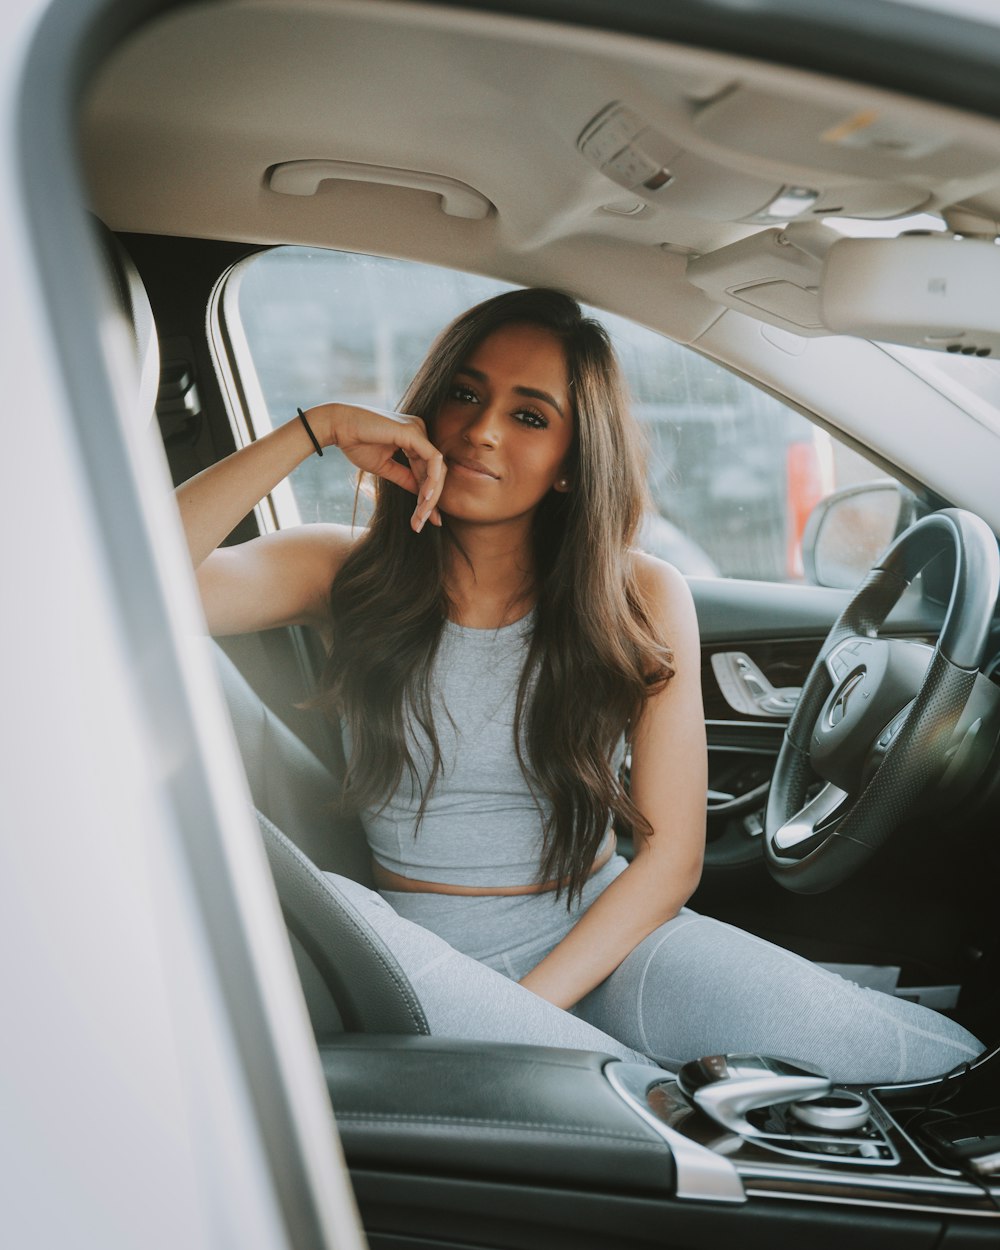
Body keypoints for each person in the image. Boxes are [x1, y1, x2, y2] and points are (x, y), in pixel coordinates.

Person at [178, 287, 982, 1083]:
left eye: (529, 416)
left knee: (899, 1053)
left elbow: (670, 857)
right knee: (649, 1115)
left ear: (571, 464)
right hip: (422, 955)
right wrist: (313, 430)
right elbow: (126, 577)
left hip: (611, 940)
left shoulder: (642, 593)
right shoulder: (343, 570)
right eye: (464, 394)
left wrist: (533, 1007)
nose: (482, 430)